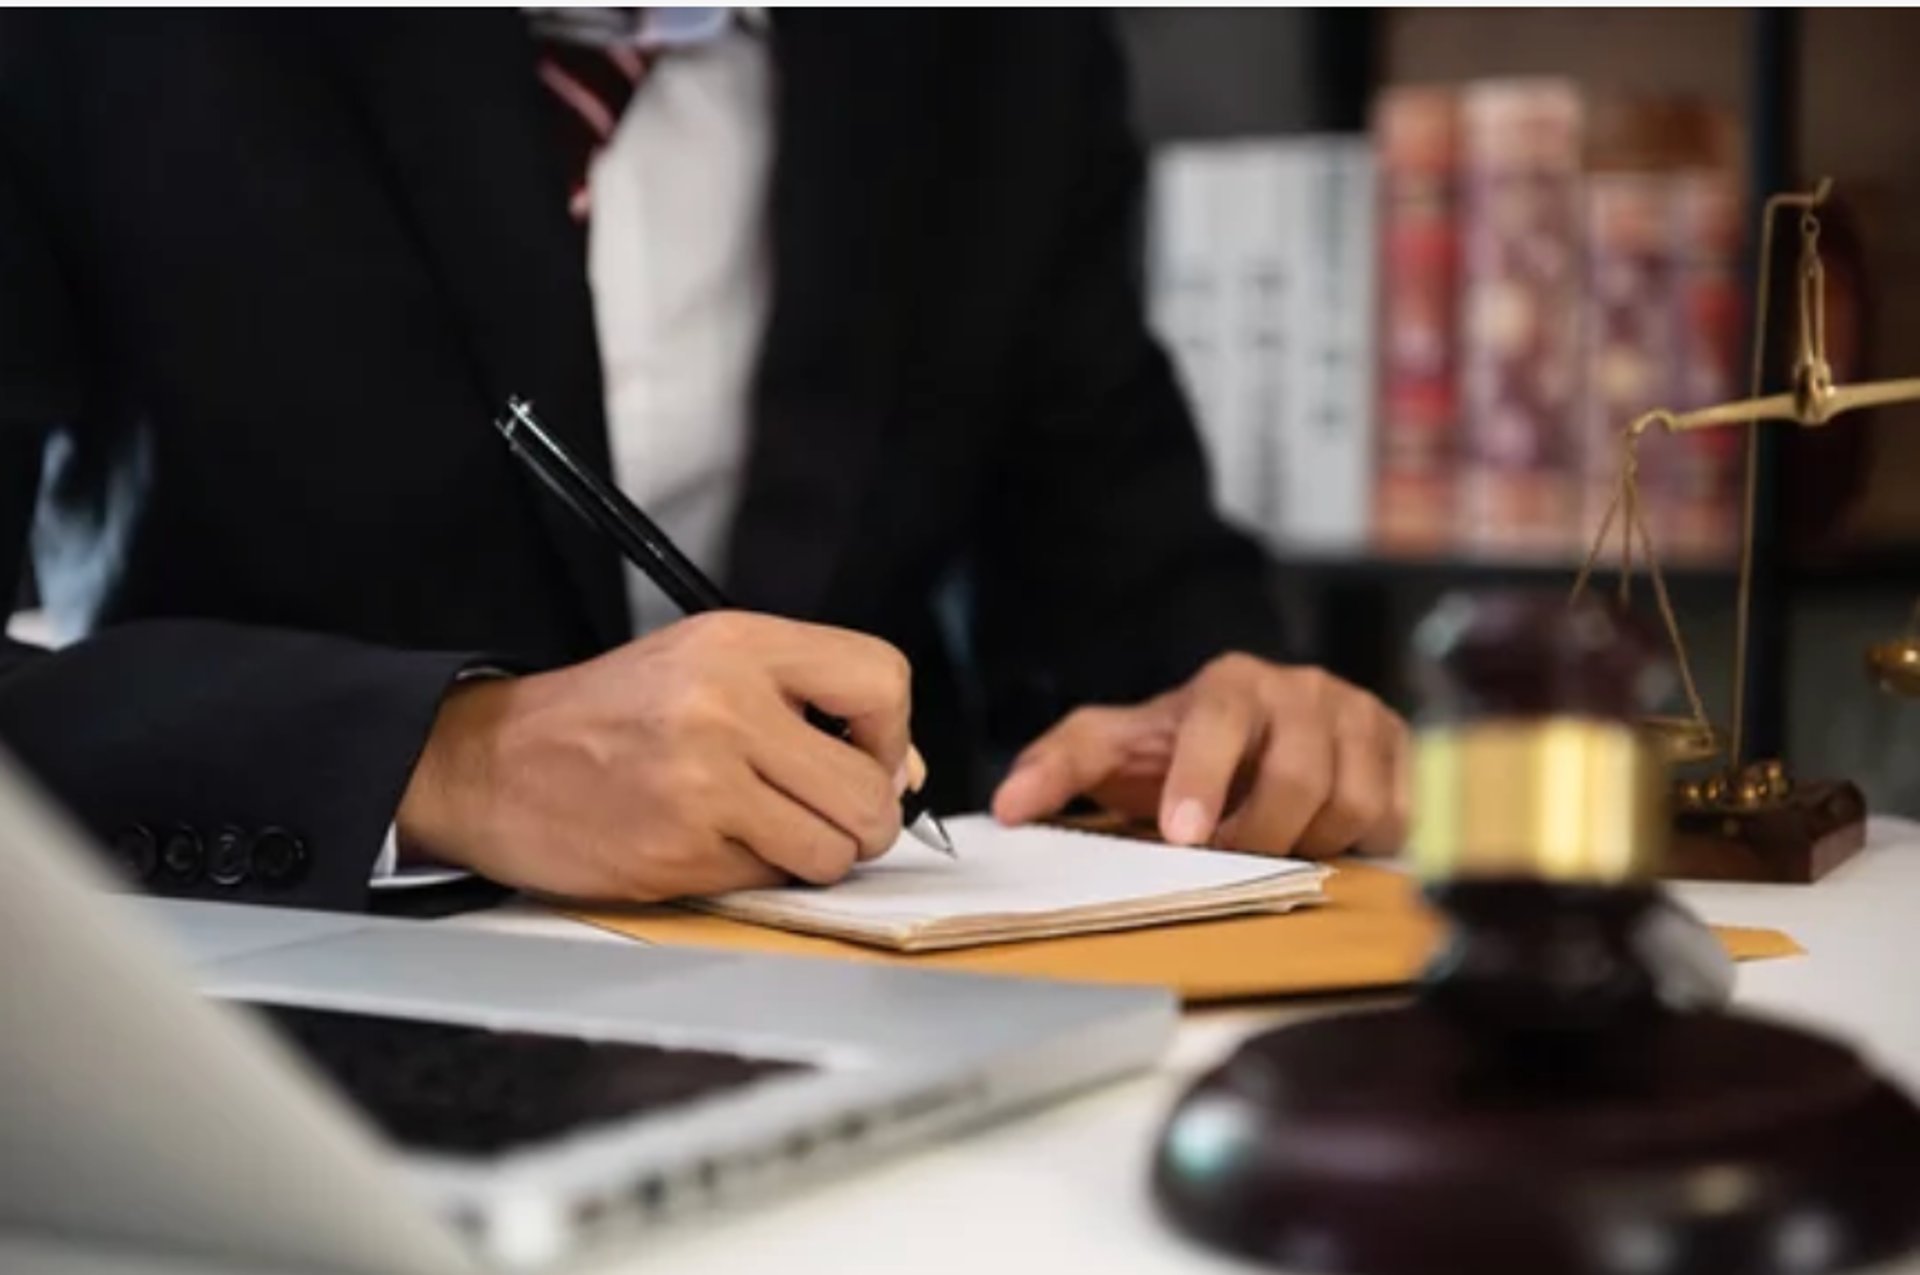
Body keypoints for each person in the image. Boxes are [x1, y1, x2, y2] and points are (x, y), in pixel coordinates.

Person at [0, 10, 1407, 912]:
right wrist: (446, 761)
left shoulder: (993, 51)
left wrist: (1233, 715)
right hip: (250, 993)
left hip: (875, 986)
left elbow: (1123, 574)